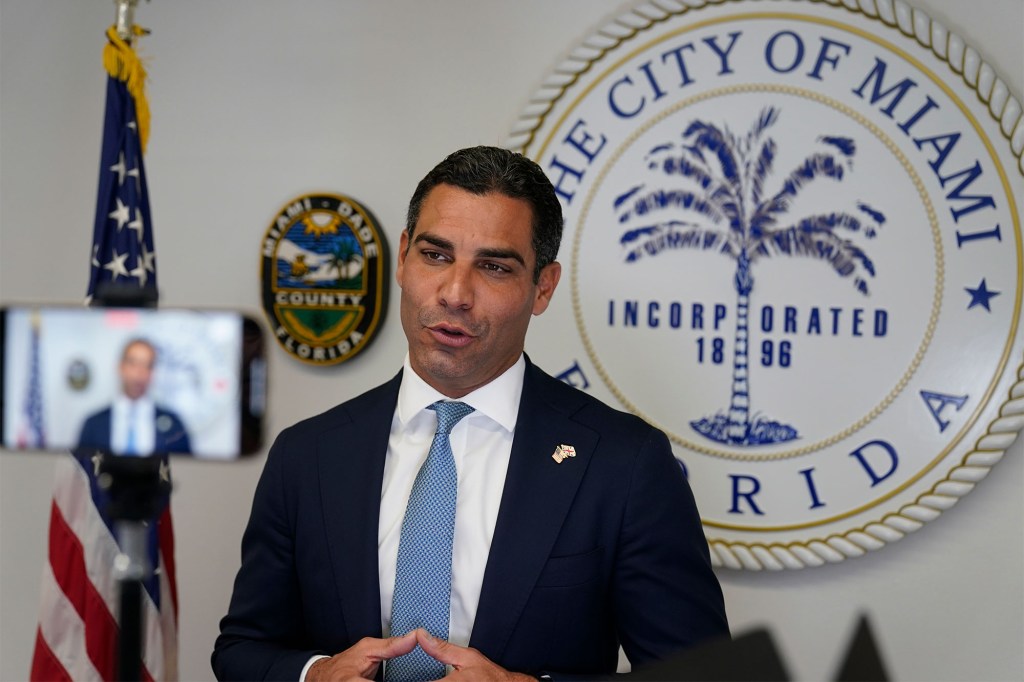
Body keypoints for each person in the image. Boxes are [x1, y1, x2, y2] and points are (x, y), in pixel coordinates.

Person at [212, 146, 729, 681]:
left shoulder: (625, 464)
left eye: (494, 266)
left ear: (542, 287)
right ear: (404, 257)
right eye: (436, 256)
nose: (456, 294)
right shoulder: (308, 455)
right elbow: (243, 650)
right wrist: (313, 675)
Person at [78, 337, 192, 455]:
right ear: (121, 367)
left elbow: (186, 469)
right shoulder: (94, 424)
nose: (140, 372)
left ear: (153, 372)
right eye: (133, 363)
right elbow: (81, 468)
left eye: (147, 365)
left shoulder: (174, 426)